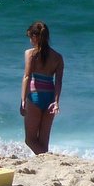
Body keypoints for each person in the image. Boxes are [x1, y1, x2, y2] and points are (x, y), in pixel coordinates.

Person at [21, 20, 65, 155]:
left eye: (30, 37)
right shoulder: (58, 57)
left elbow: (27, 77)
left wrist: (23, 100)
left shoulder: (30, 54)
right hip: (50, 98)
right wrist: (56, 102)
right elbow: (58, 82)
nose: (30, 41)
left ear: (35, 37)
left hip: (35, 97)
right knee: (43, 142)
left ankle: (48, 158)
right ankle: (46, 158)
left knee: (30, 139)